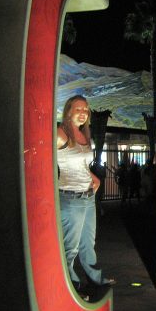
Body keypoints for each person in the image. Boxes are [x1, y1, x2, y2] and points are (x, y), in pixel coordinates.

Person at [57, 95, 115, 297]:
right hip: (70, 198)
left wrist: (94, 178)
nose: (83, 113)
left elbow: (81, 165)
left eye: (86, 110)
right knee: (70, 247)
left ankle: (94, 278)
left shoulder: (83, 134)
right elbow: (41, 161)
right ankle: (70, 286)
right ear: (68, 111)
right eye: (78, 109)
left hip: (88, 197)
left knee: (88, 244)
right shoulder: (60, 134)